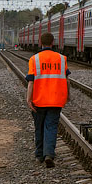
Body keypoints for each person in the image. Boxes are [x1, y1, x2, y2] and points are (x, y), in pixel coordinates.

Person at [26, 32, 69, 168]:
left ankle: (39, 155)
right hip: (56, 100)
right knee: (51, 127)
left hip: (39, 100)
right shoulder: (62, 59)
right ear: (53, 42)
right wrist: (68, 96)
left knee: (39, 127)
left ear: (40, 42)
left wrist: (29, 99)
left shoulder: (34, 59)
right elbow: (67, 80)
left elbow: (31, 82)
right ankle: (49, 154)